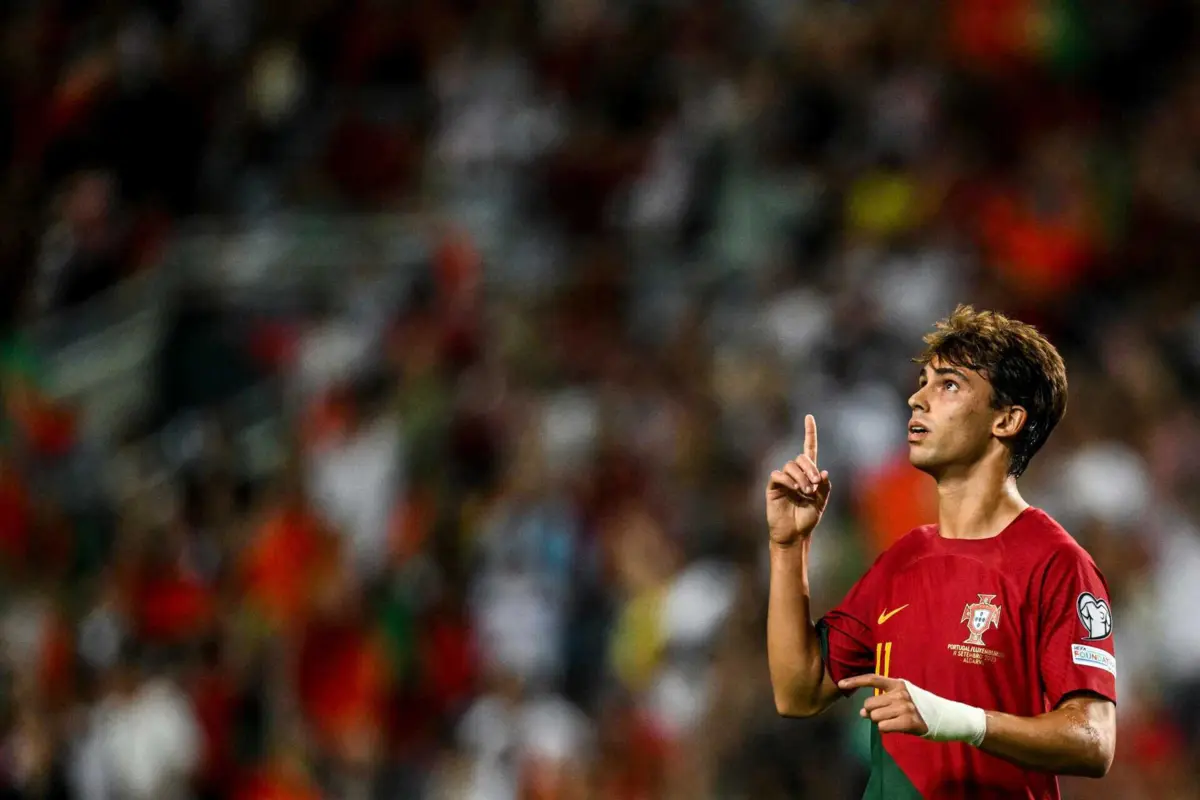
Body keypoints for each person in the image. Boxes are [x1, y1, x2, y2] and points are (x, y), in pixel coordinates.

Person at [766, 305, 1116, 799]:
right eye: (924, 380)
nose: (917, 398)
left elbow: (1095, 740)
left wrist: (955, 720)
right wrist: (788, 546)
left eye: (948, 384)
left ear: (1008, 419)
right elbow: (798, 692)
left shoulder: (1056, 562)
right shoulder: (904, 557)